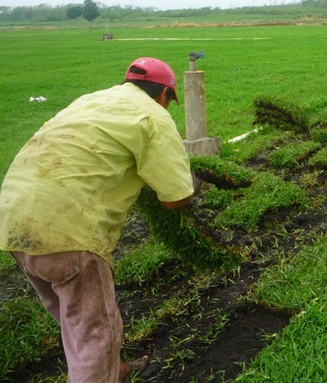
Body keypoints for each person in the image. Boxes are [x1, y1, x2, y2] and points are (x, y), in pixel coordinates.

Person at [0, 57, 203, 382]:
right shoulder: (153, 117)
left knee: (76, 320)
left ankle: (115, 370)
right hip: (68, 233)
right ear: (165, 94)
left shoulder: (93, 100)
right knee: (96, 333)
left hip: (13, 221)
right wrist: (196, 181)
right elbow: (175, 198)